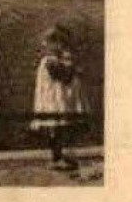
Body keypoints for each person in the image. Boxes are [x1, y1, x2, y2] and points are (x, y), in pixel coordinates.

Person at [30, 25, 89, 172]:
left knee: (61, 129)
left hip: (58, 101)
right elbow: (64, 76)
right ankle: (56, 158)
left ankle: (60, 156)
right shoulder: (49, 61)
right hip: (53, 102)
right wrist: (73, 68)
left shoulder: (56, 60)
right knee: (55, 129)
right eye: (60, 43)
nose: (62, 47)